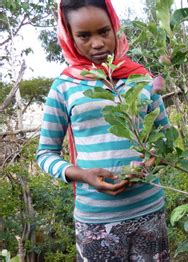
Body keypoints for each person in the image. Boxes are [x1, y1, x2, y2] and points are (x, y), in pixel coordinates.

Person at [36, 0, 170, 261]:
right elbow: (45, 154)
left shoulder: (141, 78)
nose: (97, 44)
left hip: (149, 210)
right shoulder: (64, 86)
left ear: (115, 28)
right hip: (96, 220)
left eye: (104, 32)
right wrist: (82, 175)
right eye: (84, 36)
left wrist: (152, 160)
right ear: (69, 36)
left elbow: (166, 136)